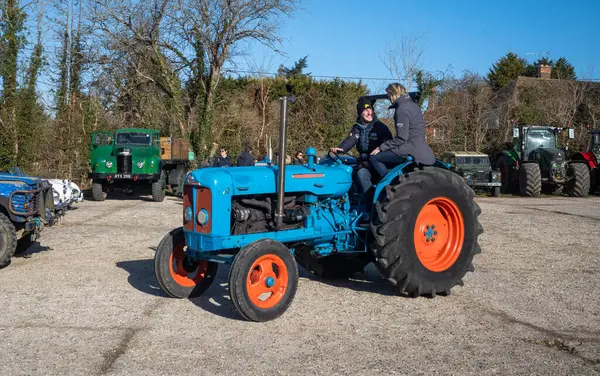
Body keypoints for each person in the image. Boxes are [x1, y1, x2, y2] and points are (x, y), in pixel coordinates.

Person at [369, 83, 436, 178]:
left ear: (393, 94)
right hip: (420, 147)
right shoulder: (413, 105)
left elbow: (401, 138)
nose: (388, 98)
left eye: (388, 95)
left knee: (373, 158)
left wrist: (381, 147)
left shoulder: (402, 109)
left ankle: (390, 183)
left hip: (408, 148)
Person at [330, 97, 393, 195]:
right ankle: (367, 198)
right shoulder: (356, 128)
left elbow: (388, 144)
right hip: (364, 164)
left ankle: (379, 198)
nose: (369, 113)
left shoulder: (380, 127)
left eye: (370, 109)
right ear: (360, 113)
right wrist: (341, 148)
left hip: (379, 164)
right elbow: (351, 139)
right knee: (359, 173)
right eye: (365, 110)